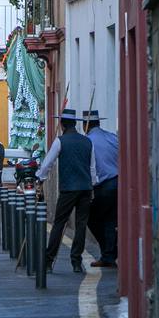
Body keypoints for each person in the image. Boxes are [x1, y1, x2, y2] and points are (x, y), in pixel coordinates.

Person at [36, 108, 98, 273]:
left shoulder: (60, 141)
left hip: (69, 189)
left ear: (62, 124)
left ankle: (49, 260)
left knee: (59, 223)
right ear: (75, 124)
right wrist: (92, 187)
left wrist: (40, 178)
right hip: (85, 188)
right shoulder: (87, 142)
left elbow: (47, 163)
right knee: (81, 225)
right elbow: (92, 169)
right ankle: (76, 262)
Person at [83, 109, 119, 267]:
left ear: (86, 125)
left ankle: (109, 251)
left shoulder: (87, 141)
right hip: (117, 182)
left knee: (91, 218)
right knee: (110, 220)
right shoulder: (113, 137)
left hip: (102, 185)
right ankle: (110, 254)